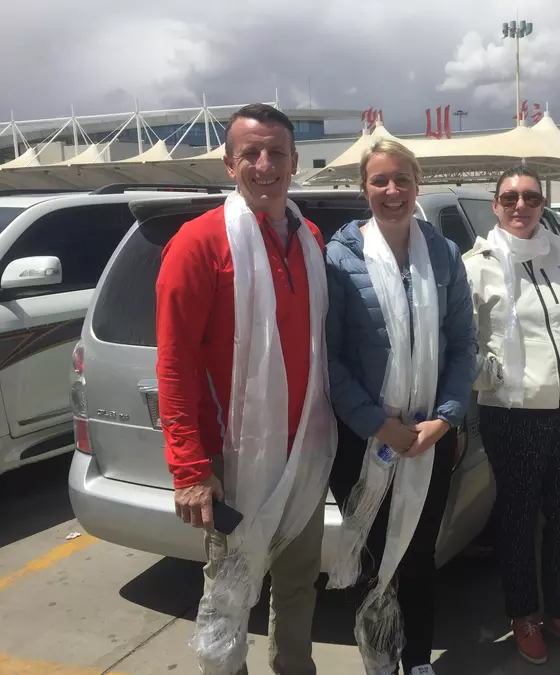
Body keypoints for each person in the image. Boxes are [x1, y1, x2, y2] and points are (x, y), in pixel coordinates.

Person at [156, 103, 335, 675]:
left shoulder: (309, 237)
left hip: (303, 448)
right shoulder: (199, 243)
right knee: (230, 591)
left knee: (298, 582)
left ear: (294, 162)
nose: (264, 165)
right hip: (232, 461)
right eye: (250, 154)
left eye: (276, 153)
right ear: (229, 163)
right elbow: (175, 364)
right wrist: (188, 469)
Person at [325, 139, 477, 675]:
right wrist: (378, 424)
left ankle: (416, 661)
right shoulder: (340, 257)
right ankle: (378, 660)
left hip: (428, 440)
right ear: (364, 187)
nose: (392, 191)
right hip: (363, 440)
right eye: (380, 181)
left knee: (416, 555)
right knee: (369, 557)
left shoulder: (443, 256)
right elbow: (330, 357)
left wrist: (446, 417)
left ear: (417, 185)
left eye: (402, 180)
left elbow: (463, 344)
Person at [464, 165, 560, 666]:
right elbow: (463, 345)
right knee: (519, 518)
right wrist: (493, 377)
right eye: (509, 198)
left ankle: (559, 612)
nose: (520, 206)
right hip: (513, 413)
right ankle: (523, 614)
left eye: (530, 197)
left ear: (542, 203)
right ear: (495, 205)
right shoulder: (476, 265)